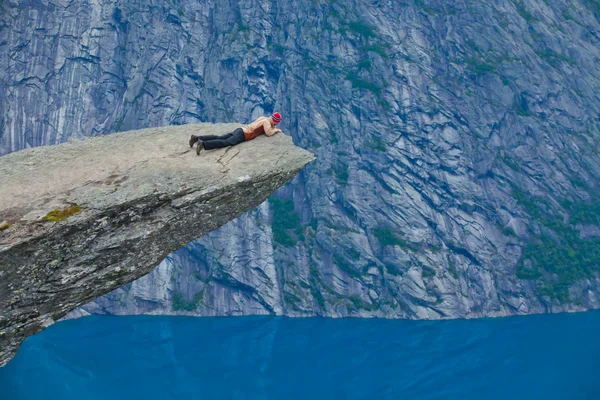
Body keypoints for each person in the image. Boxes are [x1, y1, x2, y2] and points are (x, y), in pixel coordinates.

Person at [189, 112, 283, 155]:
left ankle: (197, 138)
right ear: (276, 121)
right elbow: (268, 133)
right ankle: (203, 144)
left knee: (221, 137)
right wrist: (276, 130)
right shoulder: (266, 123)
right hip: (243, 135)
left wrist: (273, 126)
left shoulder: (264, 118)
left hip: (240, 130)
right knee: (225, 142)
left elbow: (266, 126)